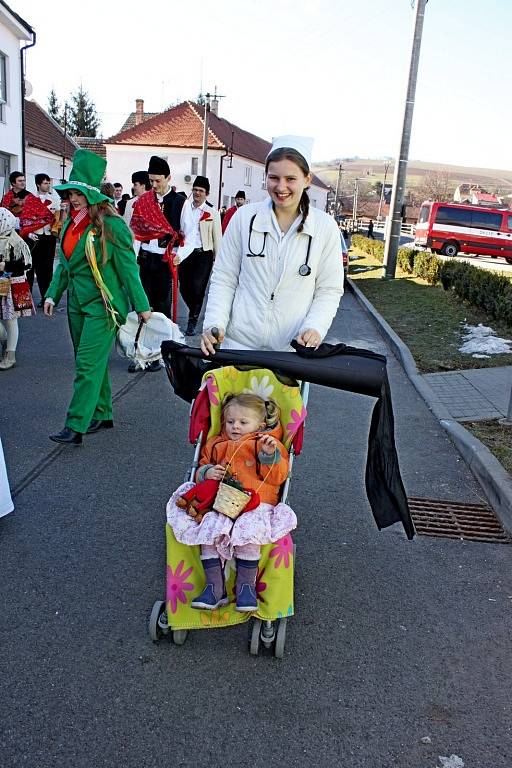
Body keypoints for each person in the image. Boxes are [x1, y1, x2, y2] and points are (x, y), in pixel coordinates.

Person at [43, 149, 151, 445]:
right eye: (70, 193)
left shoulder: (111, 225)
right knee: (89, 361)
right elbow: (65, 267)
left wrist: (142, 306)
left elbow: (129, 270)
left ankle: (75, 424)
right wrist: (52, 294)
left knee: (86, 366)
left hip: (104, 306)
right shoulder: (69, 223)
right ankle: (101, 412)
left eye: (79, 193)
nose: (73, 199)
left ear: (93, 195)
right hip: (77, 304)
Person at [201, 135, 344, 355]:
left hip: (291, 351)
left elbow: (329, 289)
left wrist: (314, 328)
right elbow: (224, 278)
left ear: (307, 180)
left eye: (290, 179)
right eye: (274, 177)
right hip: (238, 345)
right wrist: (214, 323)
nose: (281, 186)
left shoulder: (325, 228)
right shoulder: (244, 219)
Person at [166, 393, 296, 612]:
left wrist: (268, 456)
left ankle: (246, 587)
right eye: (230, 422)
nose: (235, 427)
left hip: (257, 502)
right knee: (209, 529)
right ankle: (215, 588)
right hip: (223, 502)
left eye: (243, 423)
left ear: (260, 425)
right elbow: (202, 466)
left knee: (248, 533)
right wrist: (206, 472)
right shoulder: (217, 443)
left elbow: (278, 477)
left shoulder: (264, 444)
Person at [130, 155, 185, 323]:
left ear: (168, 178)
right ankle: (141, 343)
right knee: (142, 303)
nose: (153, 185)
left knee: (162, 306)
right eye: (151, 181)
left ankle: (162, 345)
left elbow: (189, 234)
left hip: (164, 260)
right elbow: (137, 232)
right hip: (145, 258)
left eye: (158, 181)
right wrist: (133, 256)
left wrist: (179, 254)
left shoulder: (180, 202)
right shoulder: (144, 201)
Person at [176, 175, 222, 336]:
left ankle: (192, 320)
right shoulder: (185, 208)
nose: (197, 193)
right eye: (195, 190)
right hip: (186, 254)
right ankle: (193, 309)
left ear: (206, 194)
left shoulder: (212, 213)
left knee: (198, 288)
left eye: (201, 191)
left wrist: (218, 260)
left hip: (204, 255)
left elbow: (218, 238)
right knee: (184, 287)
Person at [0, 208, 35, 370]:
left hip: (12, 285)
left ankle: (10, 354)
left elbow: (25, 264)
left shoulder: (16, 241)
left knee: (10, 319)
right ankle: (5, 340)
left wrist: (5, 265)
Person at [30, 173, 61, 307]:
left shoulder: (54, 198)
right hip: (36, 236)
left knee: (48, 268)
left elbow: (59, 216)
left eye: (49, 183)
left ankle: (47, 298)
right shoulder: (31, 198)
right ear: (38, 184)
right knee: (37, 267)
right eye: (45, 183)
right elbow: (27, 218)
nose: (48, 185)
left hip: (49, 236)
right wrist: (30, 232)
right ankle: (39, 297)